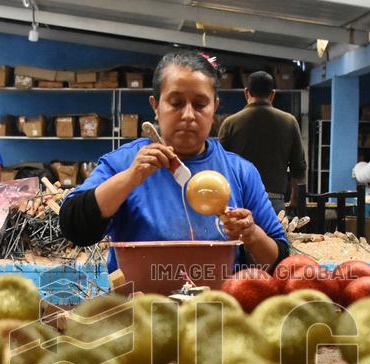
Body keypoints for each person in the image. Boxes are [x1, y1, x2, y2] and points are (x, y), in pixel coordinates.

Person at [59, 51, 289, 274]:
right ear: (155, 106)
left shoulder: (241, 172)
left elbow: (279, 262)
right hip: (139, 308)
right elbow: (74, 226)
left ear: (215, 108)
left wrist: (250, 234)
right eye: (176, 103)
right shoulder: (123, 163)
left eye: (200, 105)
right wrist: (131, 178)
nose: (188, 115)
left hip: (217, 309)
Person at [217, 71, 307, 212]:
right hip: (274, 202)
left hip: (240, 200)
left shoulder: (230, 123)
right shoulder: (289, 122)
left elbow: (219, 164)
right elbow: (299, 165)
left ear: (246, 92)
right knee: (272, 235)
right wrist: (295, 198)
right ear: (272, 94)